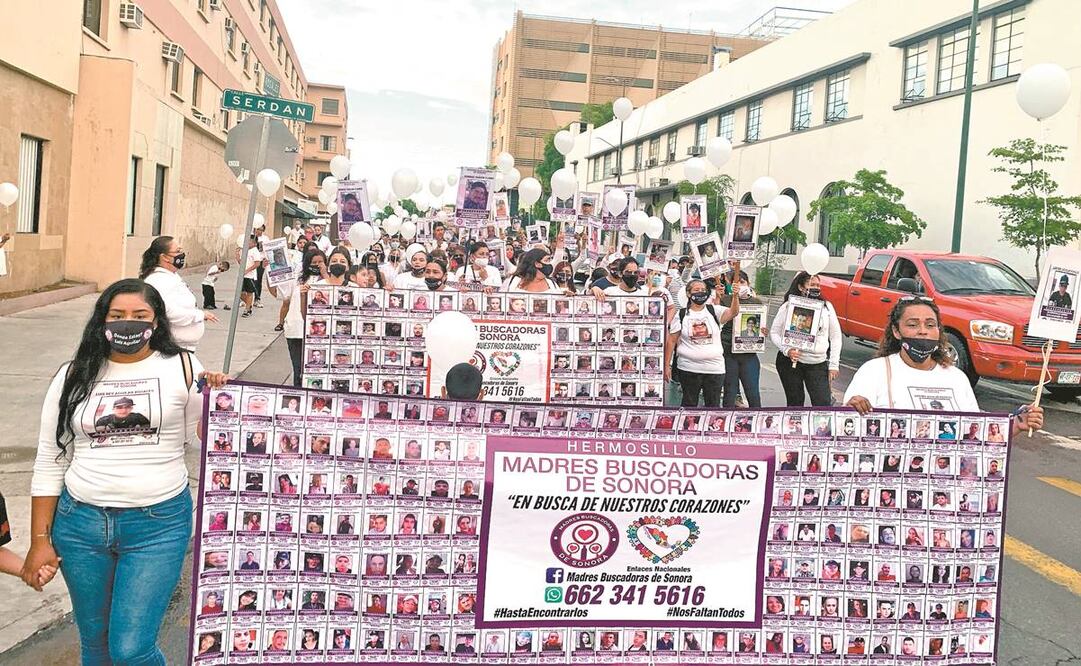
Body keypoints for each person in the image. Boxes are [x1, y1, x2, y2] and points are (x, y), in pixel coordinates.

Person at [25, 279, 228, 665]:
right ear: (101, 320)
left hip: (158, 525)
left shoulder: (183, 366)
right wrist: (40, 539)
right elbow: (50, 457)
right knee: (96, 646)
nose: (127, 324)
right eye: (117, 316)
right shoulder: (72, 375)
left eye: (140, 316)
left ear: (157, 322)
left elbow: (204, 440)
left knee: (132, 649)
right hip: (80, 525)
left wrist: (219, 400)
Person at [844, 298, 1042, 436]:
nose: (923, 332)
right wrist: (850, 410)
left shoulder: (956, 377)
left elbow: (977, 431)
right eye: (913, 325)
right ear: (896, 331)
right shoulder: (874, 371)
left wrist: (1017, 424)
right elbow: (846, 428)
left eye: (930, 325)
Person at [770, 271, 842, 406]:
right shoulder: (788, 306)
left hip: (818, 363)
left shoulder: (827, 307)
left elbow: (835, 336)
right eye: (811, 284)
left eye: (818, 285)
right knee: (795, 403)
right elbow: (774, 332)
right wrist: (787, 350)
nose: (816, 288)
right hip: (791, 363)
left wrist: (833, 364)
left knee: (823, 403)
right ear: (801, 287)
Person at [665, 277, 740, 407]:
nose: (700, 292)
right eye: (696, 290)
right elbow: (672, 340)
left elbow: (733, 312)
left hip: (714, 369)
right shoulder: (682, 314)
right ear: (688, 293)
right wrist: (666, 365)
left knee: (713, 405)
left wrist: (735, 296)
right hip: (688, 368)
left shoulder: (714, 310)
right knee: (689, 404)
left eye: (703, 290)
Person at [140, 236, 217, 350]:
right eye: (177, 251)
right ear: (164, 257)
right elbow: (168, 312)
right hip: (172, 347)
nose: (181, 254)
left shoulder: (171, 275)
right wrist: (199, 315)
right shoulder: (158, 280)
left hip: (181, 347)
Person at [268, 247, 327, 387]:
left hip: (319, 332)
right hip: (296, 331)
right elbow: (280, 294)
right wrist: (268, 274)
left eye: (321, 262)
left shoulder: (329, 279)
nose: (317, 265)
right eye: (314, 262)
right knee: (298, 369)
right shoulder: (297, 278)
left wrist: (325, 274)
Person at [720, 269, 764, 407]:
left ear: (748, 283)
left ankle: (757, 423)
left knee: (753, 393)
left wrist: (763, 332)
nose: (740, 285)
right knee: (730, 392)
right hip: (729, 352)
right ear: (731, 285)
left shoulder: (757, 302)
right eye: (736, 283)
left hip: (749, 354)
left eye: (743, 282)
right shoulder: (725, 300)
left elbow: (760, 326)